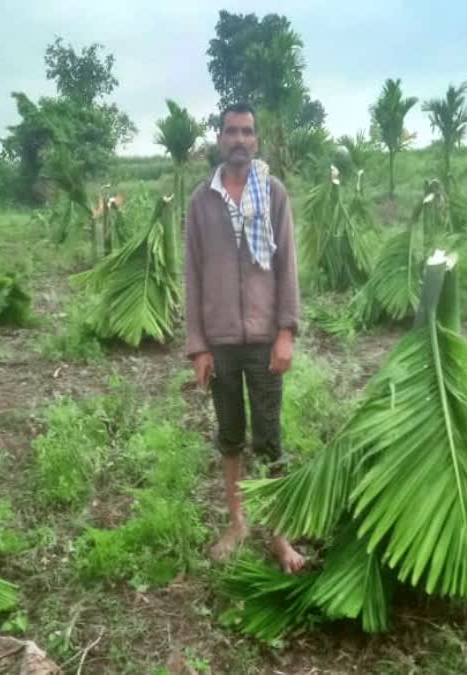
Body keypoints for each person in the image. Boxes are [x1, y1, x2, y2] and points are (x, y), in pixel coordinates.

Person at [183, 102, 305, 574]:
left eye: (247, 132)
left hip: (263, 339)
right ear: (219, 139)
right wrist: (198, 346)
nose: (239, 139)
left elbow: (287, 266)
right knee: (231, 437)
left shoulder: (272, 194)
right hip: (221, 341)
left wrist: (286, 332)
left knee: (270, 440)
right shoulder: (202, 201)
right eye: (231, 131)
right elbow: (192, 275)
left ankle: (279, 533)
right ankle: (236, 523)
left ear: (256, 140)